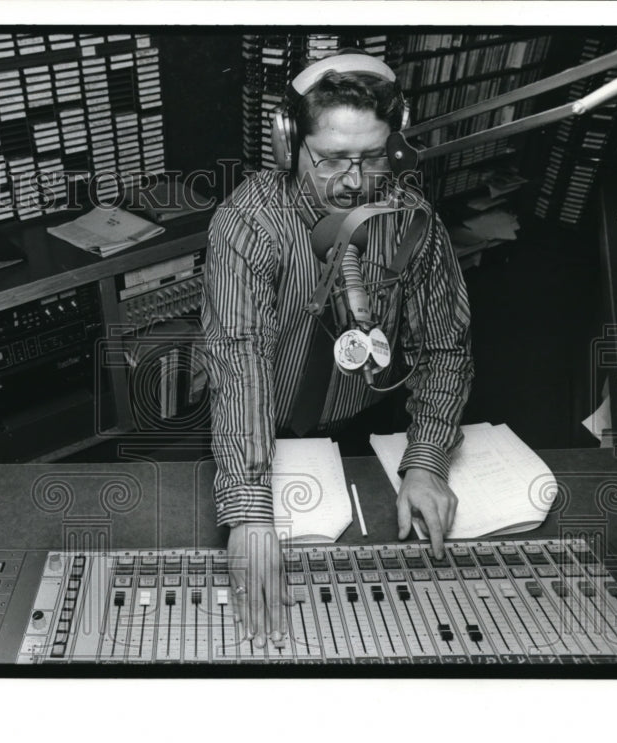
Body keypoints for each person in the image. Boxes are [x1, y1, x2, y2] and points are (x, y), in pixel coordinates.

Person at [201, 51, 474, 648]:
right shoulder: (247, 226)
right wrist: (249, 511)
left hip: (364, 424)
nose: (353, 181)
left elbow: (445, 346)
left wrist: (427, 458)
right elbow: (238, 355)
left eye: (373, 156)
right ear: (288, 145)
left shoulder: (412, 219)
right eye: (330, 160)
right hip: (260, 428)